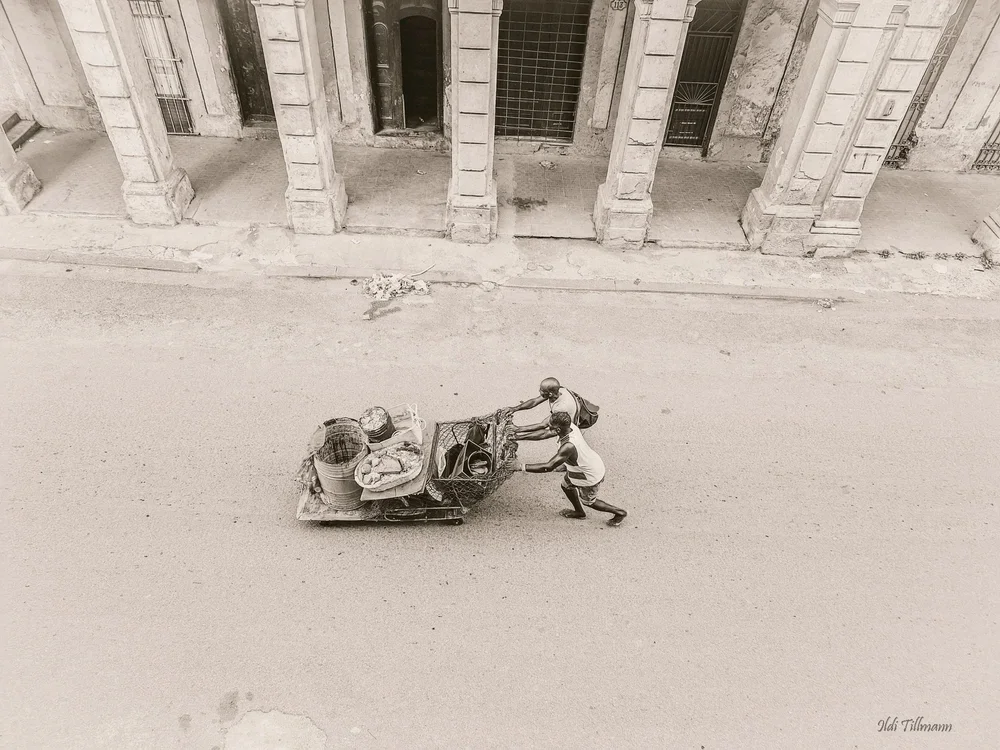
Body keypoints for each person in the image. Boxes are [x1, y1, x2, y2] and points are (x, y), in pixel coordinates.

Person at [515, 411, 627, 527]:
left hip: (587, 474)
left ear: (558, 430)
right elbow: (544, 434)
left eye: (551, 427)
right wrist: (517, 437)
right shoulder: (570, 426)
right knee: (566, 486)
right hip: (585, 465)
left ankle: (620, 512)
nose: (548, 429)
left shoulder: (568, 446)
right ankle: (579, 512)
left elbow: (548, 467)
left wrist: (520, 467)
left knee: (589, 502)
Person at [506, 377, 579, 442]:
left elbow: (544, 427)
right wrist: (514, 409)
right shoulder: (559, 390)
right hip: (571, 413)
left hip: (572, 426)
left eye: (541, 390)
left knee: (555, 433)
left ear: (550, 394)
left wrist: (518, 431)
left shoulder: (561, 408)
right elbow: (535, 401)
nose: (539, 391)